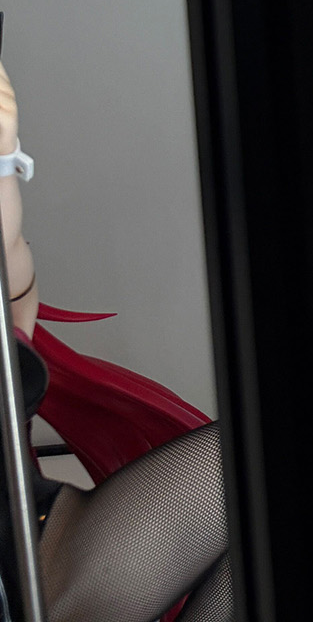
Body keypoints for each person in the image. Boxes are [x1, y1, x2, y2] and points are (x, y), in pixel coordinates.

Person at [0, 59, 229, 619]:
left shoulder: (11, 304)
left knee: (295, 459)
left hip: (45, 549)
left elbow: (11, 261)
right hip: (34, 580)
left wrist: (5, 155)